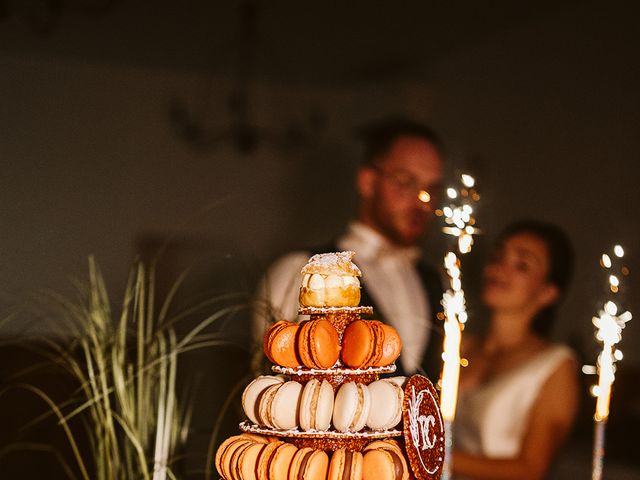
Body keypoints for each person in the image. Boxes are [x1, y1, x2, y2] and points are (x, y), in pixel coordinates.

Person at [253, 116, 445, 379]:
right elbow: (272, 385)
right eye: (405, 182)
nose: (423, 203)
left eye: (431, 189)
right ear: (367, 182)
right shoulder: (301, 270)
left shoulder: (434, 281)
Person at [453, 220, 579, 480]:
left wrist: (435, 455)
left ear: (547, 292)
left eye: (522, 264)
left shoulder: (555, 365)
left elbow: (532, 468)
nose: (500, 269)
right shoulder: (461, 346)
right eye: (498, 256)